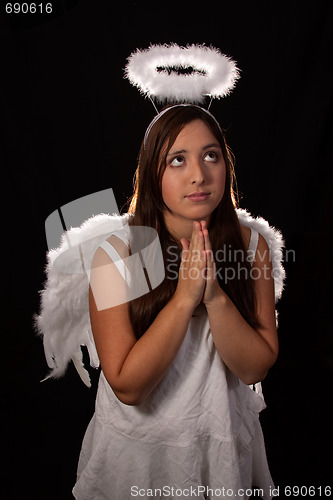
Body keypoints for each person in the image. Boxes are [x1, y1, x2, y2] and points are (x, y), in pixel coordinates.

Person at [71, 104, 283, 499]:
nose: (198, 175)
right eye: (177, 160)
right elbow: (128, 387)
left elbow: (255, 368)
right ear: (153, 173)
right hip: (140, 456)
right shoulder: (117, 256)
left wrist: (215, 297)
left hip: (218, 445)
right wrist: (184, 299)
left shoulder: (252, 248)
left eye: (210, 155)